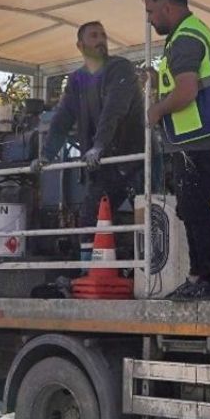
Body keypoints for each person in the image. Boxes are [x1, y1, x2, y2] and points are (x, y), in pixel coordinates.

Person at [142, 0, 210, 300]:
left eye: (151, 11)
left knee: (195, 209)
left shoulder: (184, 39)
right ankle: (200, 277)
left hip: (200, 139)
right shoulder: (192, 32)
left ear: (167, 6)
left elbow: (186, 90)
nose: (150, 19)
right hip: (200, 138)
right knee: (192, 208)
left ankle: (206, 280)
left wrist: (156, 110)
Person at [34, 21, 145, 258]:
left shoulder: (120, 68)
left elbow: (115, 108)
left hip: (136, 159)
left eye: (103, 35)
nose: (101, 40)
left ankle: (152, 272)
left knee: (148, 215)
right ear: (80, 45)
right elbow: (63, 118)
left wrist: (98, 146)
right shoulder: (77, 80)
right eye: (94, 35)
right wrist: (46, 155)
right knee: (90, 219)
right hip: (103, 165)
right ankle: (90, 273)